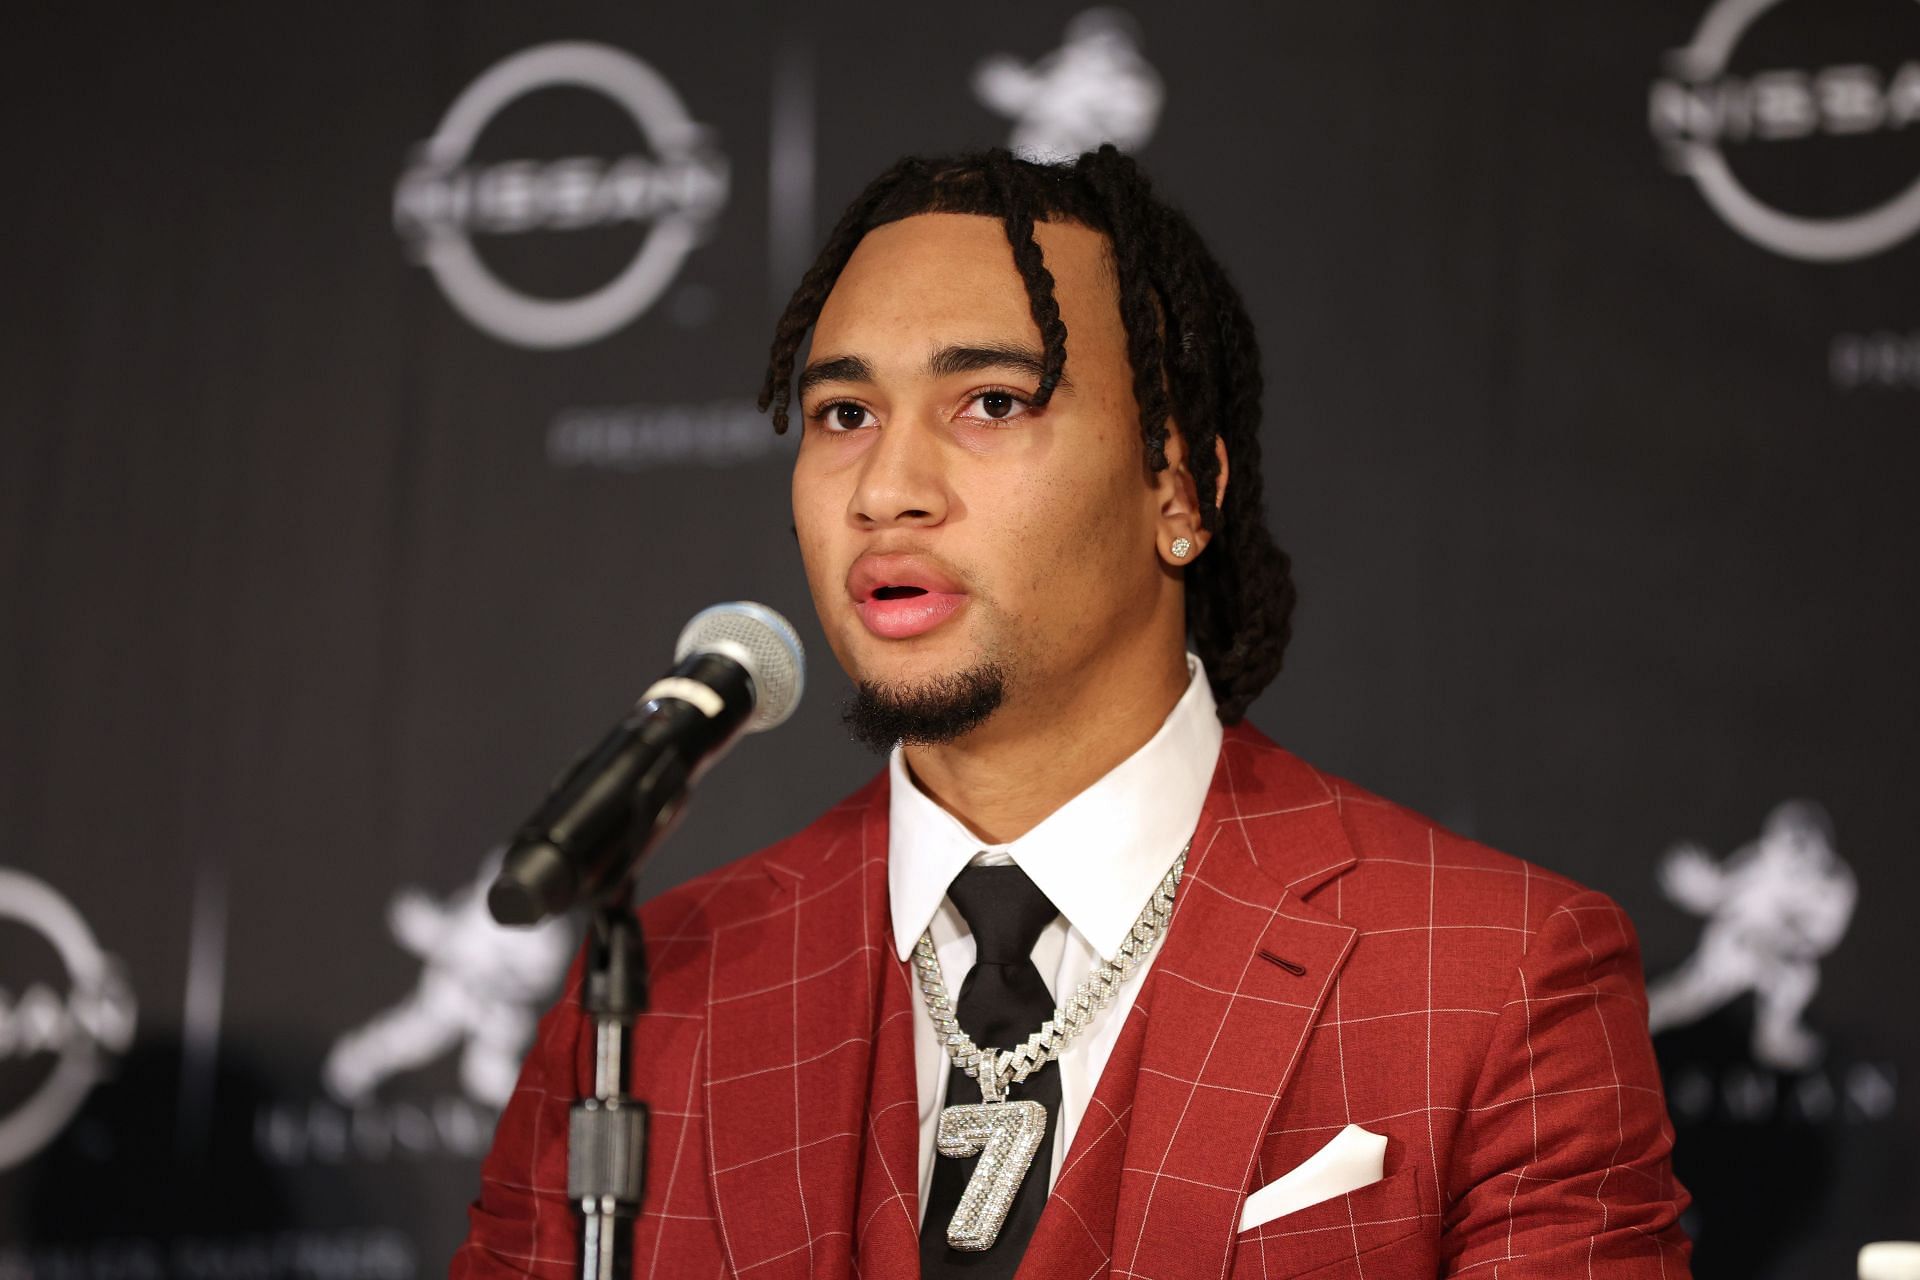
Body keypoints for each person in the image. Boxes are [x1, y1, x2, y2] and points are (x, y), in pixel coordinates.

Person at [454, 146, 1691, 1279]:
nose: (888, 487)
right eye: (844, 414)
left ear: (1183, 486)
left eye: (992, 400)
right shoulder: (645, 1000)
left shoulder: (1498, 975)